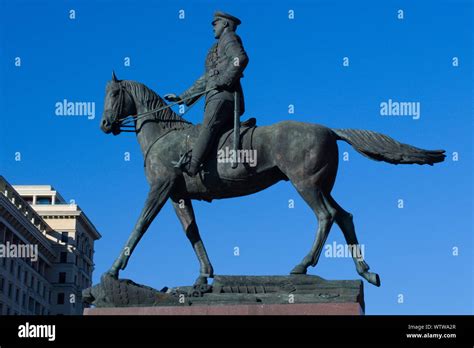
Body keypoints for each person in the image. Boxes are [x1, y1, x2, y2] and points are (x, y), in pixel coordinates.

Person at [165, 11, 249, 176]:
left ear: (225, 24)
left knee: (208, 127)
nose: (213, 27)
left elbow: (240, 58)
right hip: (217, 95)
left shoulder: (229, 38)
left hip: (223, 96)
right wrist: (183, 96)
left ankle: (193, 166)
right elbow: (207, 78)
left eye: (215, 23)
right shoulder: (216, 48)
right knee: (213, 132)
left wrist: (223, 80)